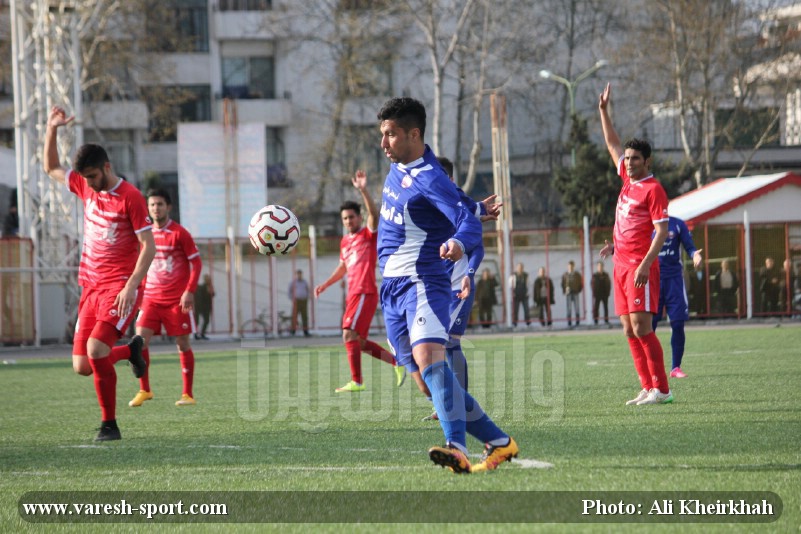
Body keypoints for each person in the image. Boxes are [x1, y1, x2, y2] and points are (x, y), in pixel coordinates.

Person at [376, 96, 517, 473]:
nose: (384, 143)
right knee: (427, 384)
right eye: (383, 134)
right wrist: (477, 207)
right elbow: (455, 202)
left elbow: (464, 224)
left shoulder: (429, 175)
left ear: (414, 134)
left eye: (391, 135)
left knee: (430, 359)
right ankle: (500, 442)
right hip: (391, 290)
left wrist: (458, 242)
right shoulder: (403, 165)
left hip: (422, 282)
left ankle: (457, 448)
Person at [43, 106, 156, 441]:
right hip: (90, 288)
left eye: (93, 176)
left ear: (106, 166)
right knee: (82, 366)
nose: (89, 183)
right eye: (85, 178)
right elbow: (51, 167)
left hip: (118, 288)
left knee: (95, 351)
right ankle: (131, 351)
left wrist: (131, 286)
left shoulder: (131, 197)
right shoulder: (84, 186)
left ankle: (110, 425)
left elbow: (148, 247)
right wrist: (52, 128)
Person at [598, 83, 672, 406]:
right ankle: (646, 386)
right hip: (621, 266)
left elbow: (661, 232)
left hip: (640, 267)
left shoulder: (653, 190)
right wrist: (603, 111)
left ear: (647, 161)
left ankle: (663, 390)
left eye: (635, 158)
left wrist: (644, 264)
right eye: (627, 158)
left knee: (643, 327)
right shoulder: (628, 181)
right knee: (629, 330)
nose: (628, 162)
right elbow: (612, 143)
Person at [315, 170, 406, 393]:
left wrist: (363, 190)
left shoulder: (368, 235)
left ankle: (357, 381)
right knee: (360, 343)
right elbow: (343, 267)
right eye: (345, 218)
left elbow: (374, 214)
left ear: (359, 217)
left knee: (348, 334)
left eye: (352, 217)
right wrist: (326, 284)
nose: (348, 221)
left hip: (365, 292)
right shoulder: (345, 242)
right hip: (353, 294)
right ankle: (397, 362)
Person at [129, 188, 202, 408]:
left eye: (159, 204)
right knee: (139, 341)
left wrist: (189, 291)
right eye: (152, 205)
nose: (155, 208)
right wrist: (137, 291)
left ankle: (187, 394)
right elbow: (139, 264)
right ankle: (144, 390)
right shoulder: (144, 235)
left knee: (182, 343)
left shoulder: (180, 233)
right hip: (150, 299)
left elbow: (196, 263)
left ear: (168, 207)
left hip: (176, 300)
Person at [651, 216, 703, 379]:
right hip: (653, 280)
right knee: (649, 326)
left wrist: (695, 255)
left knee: (678, 323)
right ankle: (650, 369)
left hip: (674, 280)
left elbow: (689, 246)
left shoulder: (677, 224)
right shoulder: (646, 224)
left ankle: (675, 368)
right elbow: (634, 245)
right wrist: (615, 249)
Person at [561, 260, 583, 328]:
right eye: (569, 266)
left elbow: (581, 283)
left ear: (573, 266)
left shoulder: (577, 275)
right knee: (569, 308)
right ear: (568, 266)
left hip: (575, 292)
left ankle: (577, 322)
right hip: (568, 293)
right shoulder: (565, 275)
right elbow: (562, 284)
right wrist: (565, 291)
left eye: (572, 266)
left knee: (577, 308)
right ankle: (569, 323)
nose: (570, 267)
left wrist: (578, 290)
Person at [288, 269, 310, 336]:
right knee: (294, 315)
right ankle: (293, 330)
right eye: (298, 274)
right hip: (297, 301)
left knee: (304, 316)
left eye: (300, 274)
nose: (299, 275)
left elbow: (308, 289)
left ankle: (305, 331)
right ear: (296, 275)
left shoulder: (304, 282)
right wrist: (292, 298)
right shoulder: (293, 282)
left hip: (304, 301)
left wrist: (307, 297)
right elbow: (289, 291)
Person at [508, 263, 531, 327]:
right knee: (515, 310)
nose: (520, 269)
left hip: (524, 295)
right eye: (519, 268)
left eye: (521, 268)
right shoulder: (513, 276)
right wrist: (512, 294)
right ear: (516, 268)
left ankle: (528, 323)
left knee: (526, 309)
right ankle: (515, 323)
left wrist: (528, 293)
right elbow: (510, 286)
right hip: (516, 295)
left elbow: (529, 284)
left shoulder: (526, 275)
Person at [194, 274, 215, 340]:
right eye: (208, 279)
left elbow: (213, 295)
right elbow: (199, 297)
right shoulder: (202, 287)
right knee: (197, 321)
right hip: (200, 306)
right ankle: (196, 334)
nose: (209, 280)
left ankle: (202, 334)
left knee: (206, 320)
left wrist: (211, 291)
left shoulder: (210, 287)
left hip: (207, 307)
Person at [591, 261, 611, 326]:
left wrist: (608, 292)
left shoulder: (606, 275)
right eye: (599, 266)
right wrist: (594, 292)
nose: (600, 267)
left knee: (605, 307)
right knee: (596, 308)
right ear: (597, 267)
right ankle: (596, 321)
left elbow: (609, 284)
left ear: (603, 267)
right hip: (597, 294)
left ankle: (606, 320)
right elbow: (592, 284)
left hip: (605, 294)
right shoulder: (595, 275)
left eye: (601, 266)